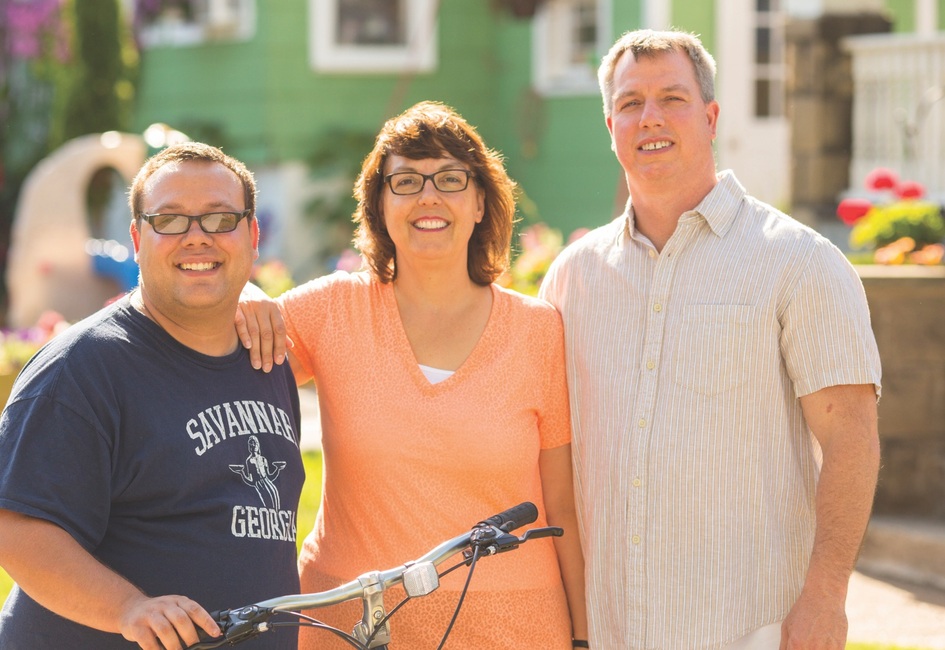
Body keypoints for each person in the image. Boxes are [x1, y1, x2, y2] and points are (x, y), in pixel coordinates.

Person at [538, 29, 882, 650]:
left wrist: (826, 599)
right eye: (630, 103)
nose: (650, 118)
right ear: (609, 124)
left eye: (672, 97)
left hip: (751, 628)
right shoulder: (572, 278)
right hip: (612, 629)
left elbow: (851, 437)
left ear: (711, 115)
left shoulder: (799, 263)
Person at [237, 101, 587, 649]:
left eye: (450, 179)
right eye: (406, 181)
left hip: (514, 627)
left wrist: (584, 638)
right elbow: (224, 343)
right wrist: (249, 291)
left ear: (479, 202)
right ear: (379, 204)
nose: (429, 196)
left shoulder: (538, 331)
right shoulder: (330, 310)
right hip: (353, 625)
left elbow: (562, 509)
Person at [0, 142, 304, 650]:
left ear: (252, 236)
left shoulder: (265, 357)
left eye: (218, 218)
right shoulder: (82, 369)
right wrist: (129, 609)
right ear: (137, 239)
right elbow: (18, 527)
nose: (196, 237)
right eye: (170, 220)